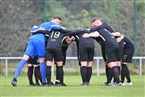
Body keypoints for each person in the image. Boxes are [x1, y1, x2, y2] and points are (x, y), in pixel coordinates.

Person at [11, 16, 62, 86]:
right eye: (58, 22)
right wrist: (61, 28)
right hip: (40, 41)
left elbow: (33, 29)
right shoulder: (52, 24)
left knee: (24, 59)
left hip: (31, 39)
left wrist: (37, 28)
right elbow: (59, 28)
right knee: (42, 61)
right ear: (54, 20)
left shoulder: (42, 24)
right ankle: (44, 82)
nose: (58, 23)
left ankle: (15, 78)